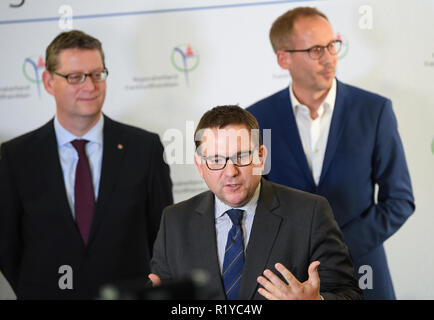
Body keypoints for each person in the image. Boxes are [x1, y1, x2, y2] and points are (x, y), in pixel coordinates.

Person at [246, 7, 415, 299]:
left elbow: (400, 200)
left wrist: (339, 246)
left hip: (364, 277)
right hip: (287, 283)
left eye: (332, 45)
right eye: (315, 50)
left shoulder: (374, 111)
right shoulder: (257, 119)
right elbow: (251, 205)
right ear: (283, 58)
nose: (329, 58)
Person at [0, 30, 173, 299]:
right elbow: (7, 246)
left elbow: (163, 238)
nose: (90, 87)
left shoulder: (145, 148)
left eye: (96, 74)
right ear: (48, 81)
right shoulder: (15, 157)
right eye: (75, 77)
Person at [149, 105, 362, 300]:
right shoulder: (174, 221)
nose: (230, 172)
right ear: (200, 165)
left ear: (261, 157)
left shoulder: (311, 212)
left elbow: (349, 294)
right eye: (216, 160)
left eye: (241, 156)